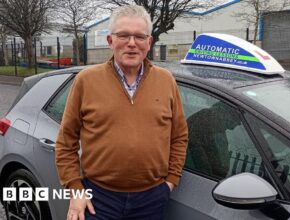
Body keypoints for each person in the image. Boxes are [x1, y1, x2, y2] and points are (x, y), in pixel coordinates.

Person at [55, 5, 188, 220]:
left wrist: (171, 181)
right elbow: (66, 141)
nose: (132, 43)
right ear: (110, 41)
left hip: (152, 200)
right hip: (98, 199)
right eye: (124, 35)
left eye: (139, 36)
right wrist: (75, 188)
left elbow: (179, 136)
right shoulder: (86, 81)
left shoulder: (166, 81)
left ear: (149, 42)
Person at [186, 101, 241, 179]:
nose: (239, 123)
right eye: (237, 118)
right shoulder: (202, 122)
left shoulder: (215, 124)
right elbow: (201, 162)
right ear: (224, 114)